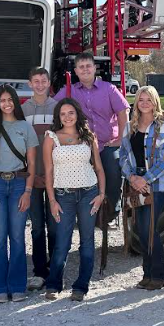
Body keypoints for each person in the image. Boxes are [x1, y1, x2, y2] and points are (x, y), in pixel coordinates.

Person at [0, 85, 38, 304]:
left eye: (10, 99)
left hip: (20, 185)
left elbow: (32, 163)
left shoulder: (25, 127)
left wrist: (28, 192)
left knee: (18, 238)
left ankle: (18, 286)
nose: (6, 104)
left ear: (15, 101)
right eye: (2, 100)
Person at [42, 98, 105, 301]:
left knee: (87, 241)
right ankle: (53, 284)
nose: (67, 117)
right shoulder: (51, 137)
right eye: (63, 113)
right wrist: (52, 200)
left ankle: (81, 286)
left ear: (77, 114)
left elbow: (99, 167)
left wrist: (101, 195)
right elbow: (49, 171)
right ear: (58, 117)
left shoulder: (88, 136)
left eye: (71, 112)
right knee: (62, 241)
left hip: (89, 193)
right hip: (63, 195)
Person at [53, 52, 128, 217]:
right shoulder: (68, 91)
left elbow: (123, 112)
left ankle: (111, 211)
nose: (85, 69)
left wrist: (120, 139)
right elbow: (53, 107)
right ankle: (80, 211)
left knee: (114, 169)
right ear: (76, 71)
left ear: (95, 68)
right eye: (81, 67)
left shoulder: (109, 89)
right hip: (82, 145)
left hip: (107, 143)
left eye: (88, 66)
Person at [120, 87, 164, 290]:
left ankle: (159, 275)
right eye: (140, 99)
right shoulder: (129, 127)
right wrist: (132, 177)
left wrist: (145, 179)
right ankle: (147, 273)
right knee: (140, 230)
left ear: (155, 102)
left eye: (148, 100)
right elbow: (123, 155)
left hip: (156, 185)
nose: (144, 103)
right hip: (134, 184)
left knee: (150, 229)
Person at [21, 67, 58, 290]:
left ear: (48, 82)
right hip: (32, 175)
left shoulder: (58, 107)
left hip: (55, 174)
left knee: (55, 225)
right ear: (30, 83)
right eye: (36, 81)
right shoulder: (23, 109)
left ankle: (55, 268)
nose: (40, 84)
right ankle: (39, 271)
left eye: (43, 80)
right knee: (36, 226)